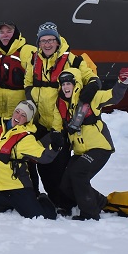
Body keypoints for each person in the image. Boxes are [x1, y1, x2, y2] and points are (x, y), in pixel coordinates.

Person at [24, 21, 96, 199]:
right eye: (43, 41)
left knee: (59, 164)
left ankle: (64, 200)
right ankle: (53, 197)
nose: (47, 44)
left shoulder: (73, 59)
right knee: (42, 163)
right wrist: (31, 95)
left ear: (57, 41)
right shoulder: (34, 60)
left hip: (62, 124)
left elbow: (91, 78)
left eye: (50, 40)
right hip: (41, 122)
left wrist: (89, 91)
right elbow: (27, 83)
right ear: (39, 43)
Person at [55, 67, 128, 219]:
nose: (65, 87)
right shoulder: (62, 105)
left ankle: (90, 213)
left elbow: (113, 96)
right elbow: (56, 122)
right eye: (63, 84)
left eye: (69, 84)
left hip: (99, 148)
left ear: (76, 84)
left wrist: (122, 82)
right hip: (80, 151)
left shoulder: (91, 97)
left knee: (78, 173)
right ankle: (99, 202)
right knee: (66, 183)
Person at [0, 99, 61, 220]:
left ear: (27, 120)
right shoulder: (3, 129)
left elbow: (44, 157)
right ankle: (10, 205)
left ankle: (42, 198)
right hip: (0, 189)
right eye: (17, 112)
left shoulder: (26, 138)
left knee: (42, 217)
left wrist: (56, 147)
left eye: (23, 115)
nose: (18, 116)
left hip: (18, 189)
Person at [0, 22, 35, 126]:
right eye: (2, 32)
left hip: (19, 115)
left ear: (16, 33)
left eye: (9, 32)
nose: (5, 35)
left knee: (17, 141)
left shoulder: (29, 51)